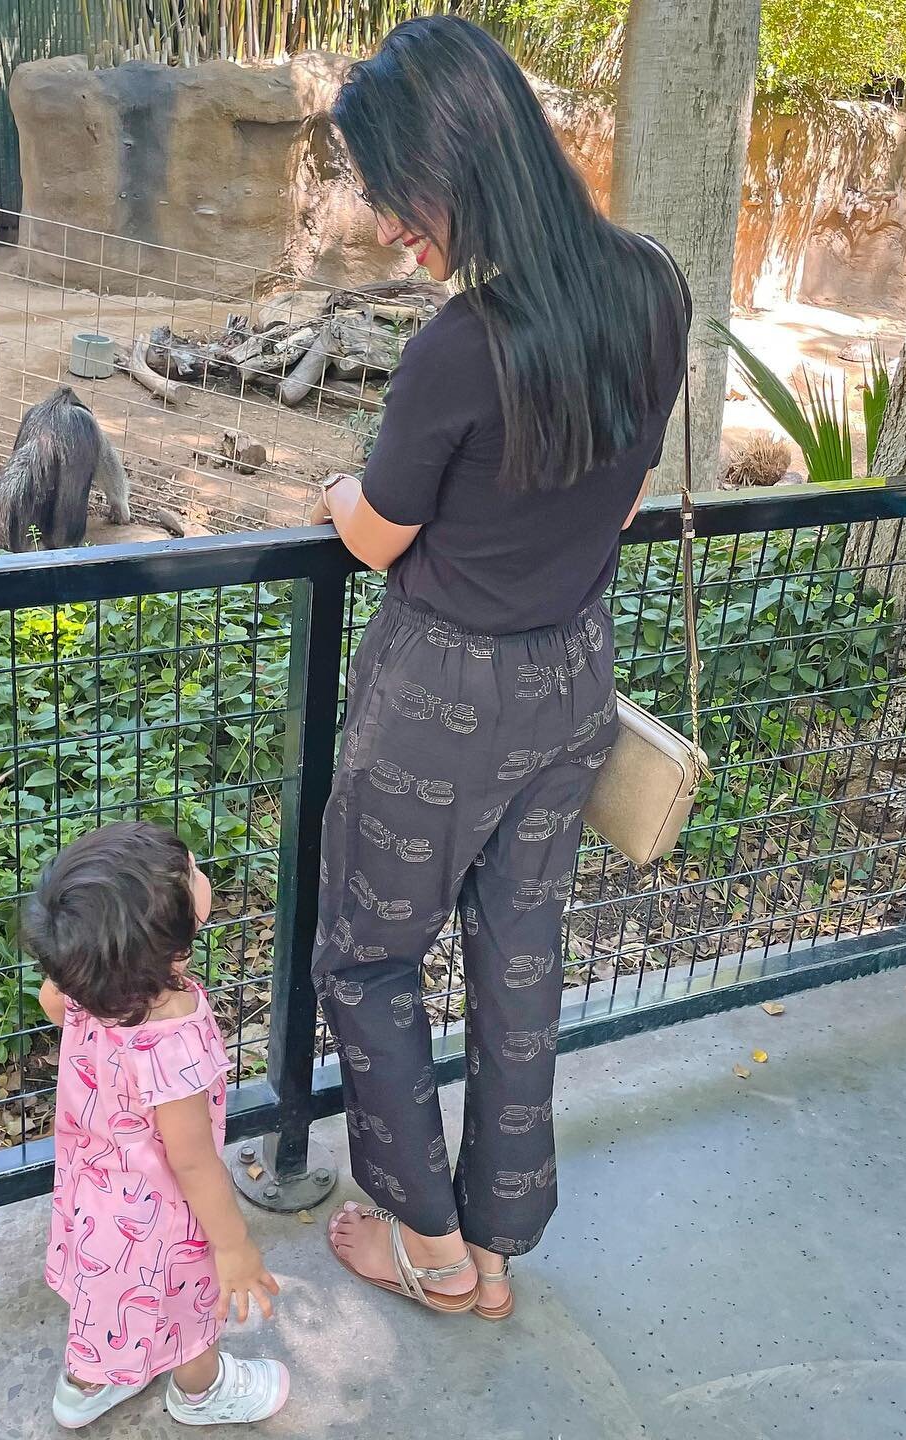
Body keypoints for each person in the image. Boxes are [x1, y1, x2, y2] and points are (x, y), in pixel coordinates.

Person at [309, 15, 692, 1320]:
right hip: (575, 677)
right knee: (519, 947)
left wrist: (331, 493)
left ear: (453, 167)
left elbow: (377, 537)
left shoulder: (456, 348)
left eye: (389, 190)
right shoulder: (650, 284)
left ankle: (428, 1249)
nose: (381, 225)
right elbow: (625, 498)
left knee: (367, 955)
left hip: (441, 698)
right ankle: (504, 1242)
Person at [26, 820, 290, 1429]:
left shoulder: (88, 984)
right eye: (193, 875)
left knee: (104, 1287)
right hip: (159, 1213)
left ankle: (85, 1386)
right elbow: (192, 1160)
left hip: (95, 1181)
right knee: (189, 1309)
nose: (202, 874)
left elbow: (50, 1001)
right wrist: (232, 1245)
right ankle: (200, 1392)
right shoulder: (173, 1037)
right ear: (170, 943)